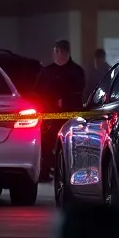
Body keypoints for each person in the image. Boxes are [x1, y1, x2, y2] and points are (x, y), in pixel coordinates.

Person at [33, 39, 88, 179]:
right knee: (45, 145)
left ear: (66, 52)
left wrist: (64, 101)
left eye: (59, 51)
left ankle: (66, 171)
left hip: (66, 117)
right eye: (56, 51)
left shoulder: (76, 72)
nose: (57, 54)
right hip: (48, 116)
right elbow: (37, 90)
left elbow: (78, 93)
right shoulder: (47, 71)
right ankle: (45, 171)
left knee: (67, 146)